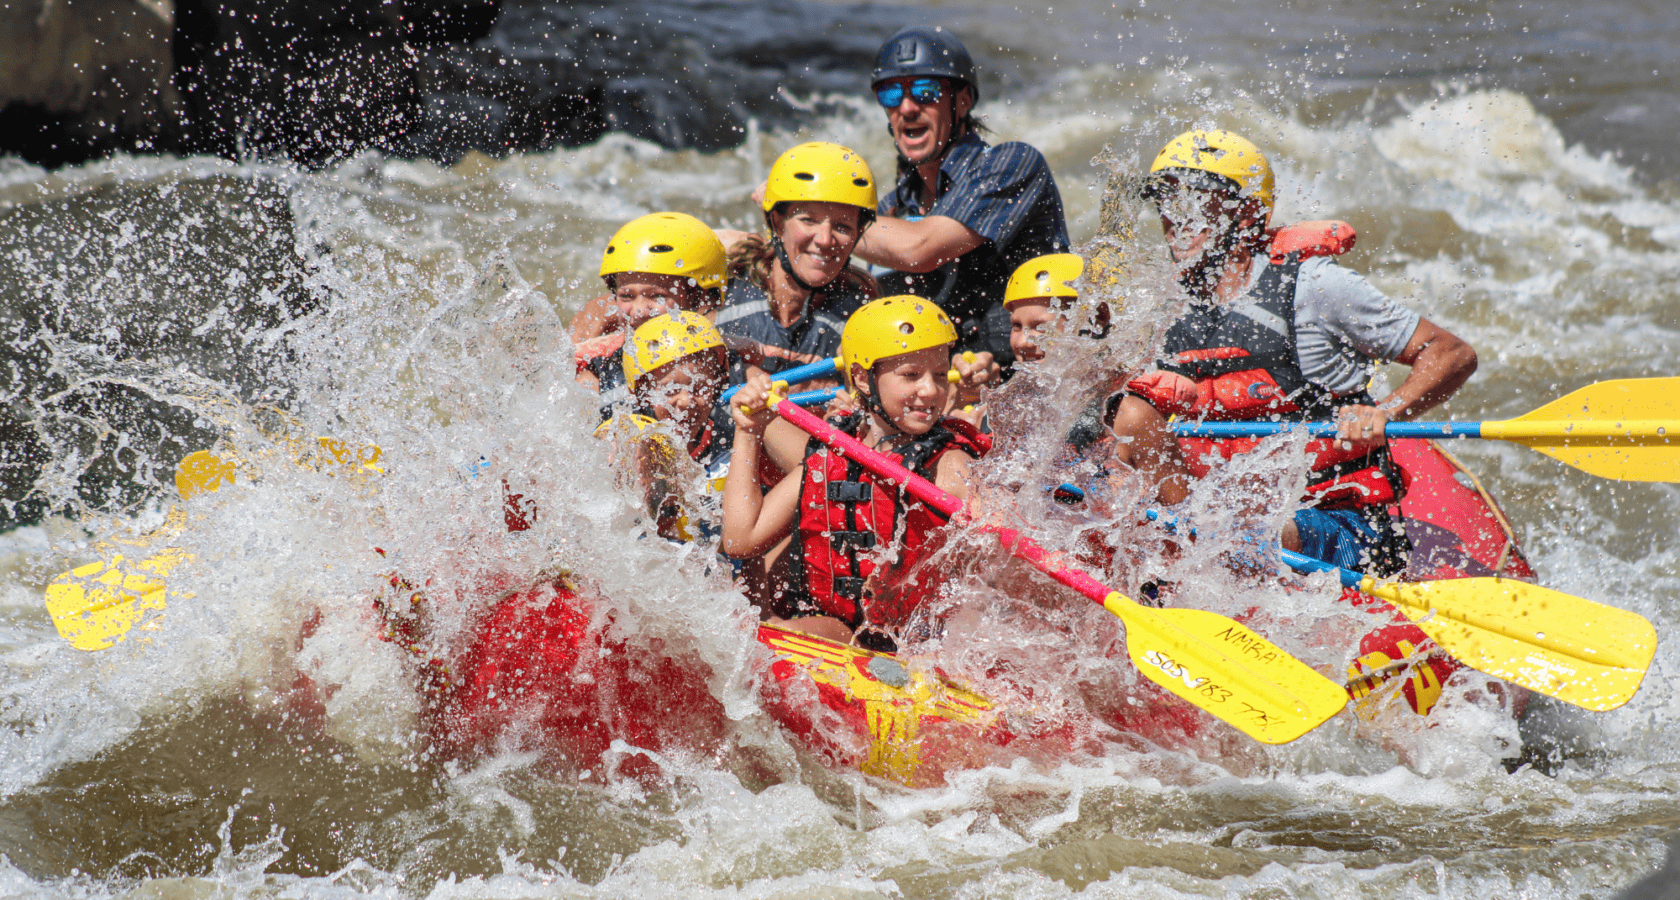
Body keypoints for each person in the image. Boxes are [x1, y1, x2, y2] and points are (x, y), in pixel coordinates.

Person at [1128, 129, 1479, 577]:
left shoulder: (1314, 286)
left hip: (1333, 521)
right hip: (1207, 515)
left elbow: (1451, 353)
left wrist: (1387, 411)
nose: (1177, 216)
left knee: (1242, 530)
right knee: (1134, 422)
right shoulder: (1159, 302)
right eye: (1166, 200)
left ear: (1249, 213)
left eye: (1198, 200)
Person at [722, 295, 988, 652]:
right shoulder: (835, 449)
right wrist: (747, 431)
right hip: (839, 632)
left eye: (940, 374)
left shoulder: (949, 463)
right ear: (863, 378)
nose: (931, 390)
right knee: (751, 628)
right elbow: (741, 539)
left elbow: (1001, 544)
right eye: (911, 375)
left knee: (771, 638)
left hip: (913, 648)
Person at [852, 25, 1069, 385]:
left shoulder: (1013, 165)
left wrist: (815, 215)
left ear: (963, 101)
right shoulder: (890, 211)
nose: (906, 107)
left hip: (1034, 386)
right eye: (891, 94)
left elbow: (920, 248)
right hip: (938, 395)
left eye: (925, 91)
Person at [1004, 253, 1193, 509]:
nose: (1024, 342)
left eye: (1040, 327)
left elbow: (1184, 526)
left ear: (1092, 324)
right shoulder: (1012, 412)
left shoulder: (1132, 419)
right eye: (1017, 326)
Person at [715, 142, 878, 387]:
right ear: (778, 223)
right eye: (808, 220)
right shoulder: (726, 278)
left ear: (858, 233)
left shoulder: (859, 314)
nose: (824, 240)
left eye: (842, 227)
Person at [574, 212, 728, 418]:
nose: (639, 311)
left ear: (698, 298)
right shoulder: (595, 378)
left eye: (657, 296)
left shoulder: (732, 360)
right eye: (627, 296)